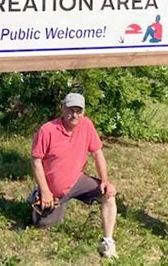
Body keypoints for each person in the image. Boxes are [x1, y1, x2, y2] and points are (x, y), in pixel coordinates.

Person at [30, 93, 118, 259]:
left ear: (83, 112)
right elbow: (36, 161)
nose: (74, 114)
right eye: (71, 110)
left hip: (77, 180)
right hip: (53, 188)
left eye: (79, 110)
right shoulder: (47, 130)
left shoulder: (87, 125)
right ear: (62, 109)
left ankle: (108, 241)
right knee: (43, 225)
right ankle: (38, 195)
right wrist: (45, 191)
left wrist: (105, 180)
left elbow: (98, 153)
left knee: (109, 194)